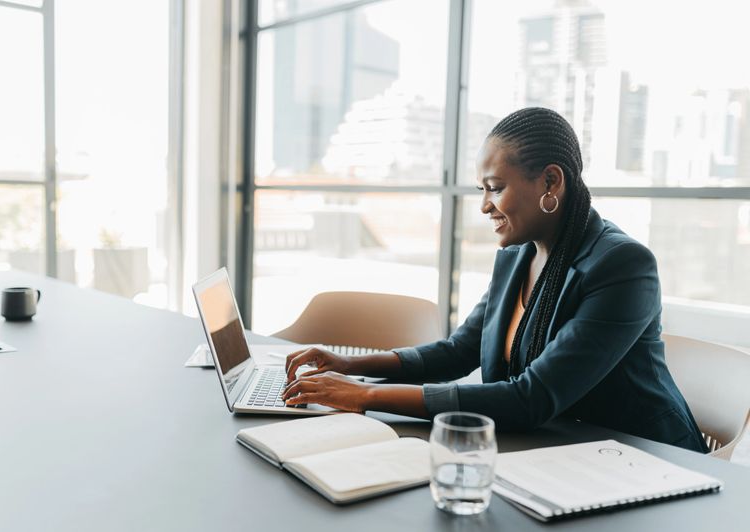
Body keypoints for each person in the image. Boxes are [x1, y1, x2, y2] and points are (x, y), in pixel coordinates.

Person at [282, 107, 708, 453]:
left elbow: (531, 397)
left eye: (494, 188)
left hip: (643, 461)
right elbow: (459, 350)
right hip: (557, 449)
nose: (484, 206)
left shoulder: (622, 266)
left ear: (551, 181)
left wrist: (365, 396)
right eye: (482, 190)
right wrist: (349, 365)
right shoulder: (519, 255)